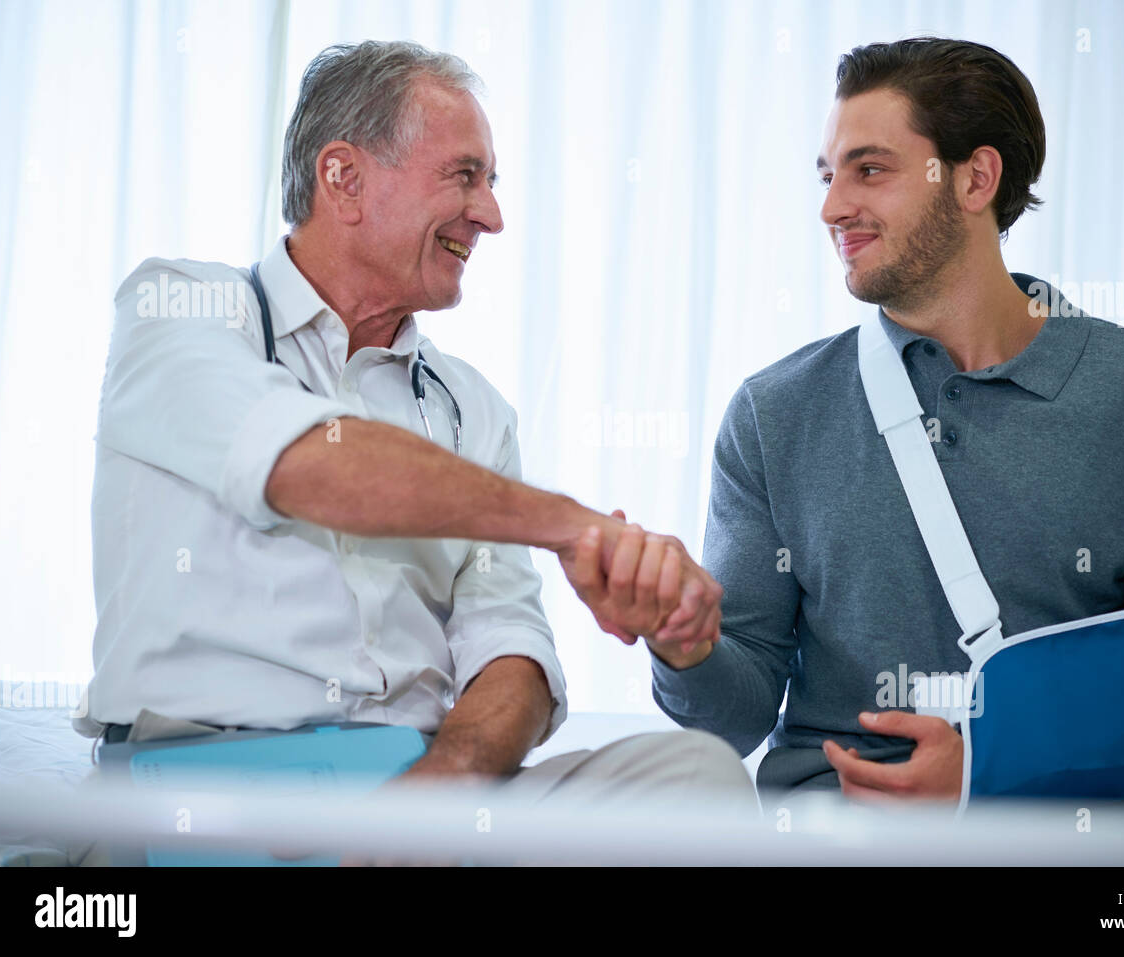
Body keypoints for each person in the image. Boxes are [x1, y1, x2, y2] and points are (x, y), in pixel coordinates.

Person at [74, 40, 754, 836]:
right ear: (344, 177)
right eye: (465, 176)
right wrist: (576, 527)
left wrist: (447, 778)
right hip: (210, 794)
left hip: (419, 790)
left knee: (702, 780)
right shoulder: (183, 308)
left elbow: (513, 652)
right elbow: (313, 465)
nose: (492, 216)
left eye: (492, 183)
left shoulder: (475, 409)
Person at [648, 37, 1124, 808]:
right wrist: (684, 646)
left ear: (975, 178)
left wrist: (989, 774)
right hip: (831, 836)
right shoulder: (775, 413)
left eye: (870, 169)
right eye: (829, 177)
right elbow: (732, 720)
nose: (832, 207)